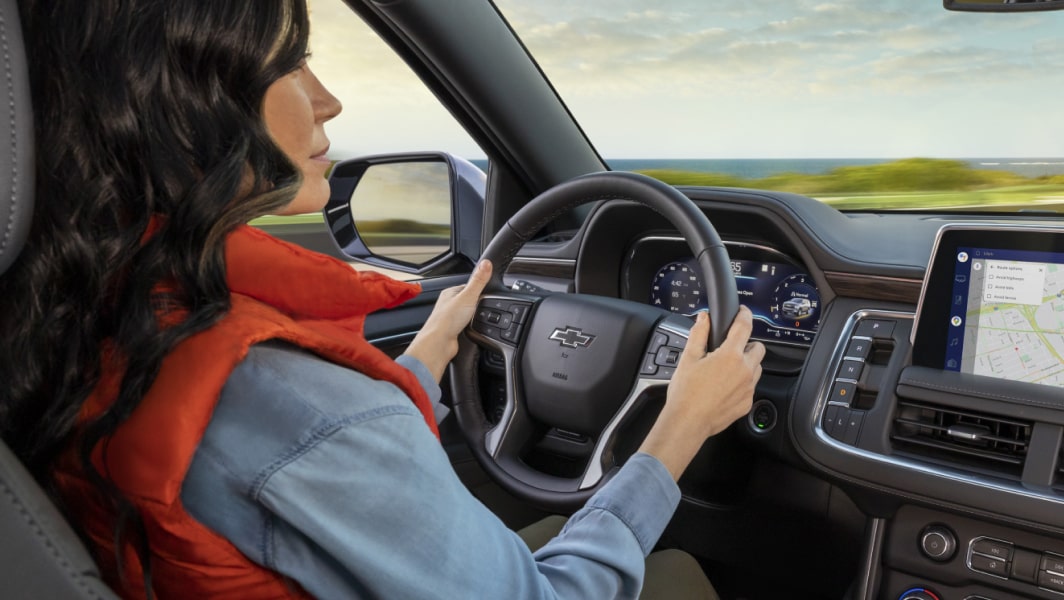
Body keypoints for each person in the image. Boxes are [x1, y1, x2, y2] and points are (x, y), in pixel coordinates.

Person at [0, 0, 765, 598]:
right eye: (291, 65)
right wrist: (682, 428)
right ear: (183, 102)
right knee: (680, 574)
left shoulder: (92, 313)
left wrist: (426, 354)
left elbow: (315, 455)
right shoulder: (288, 401)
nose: (327, 101)